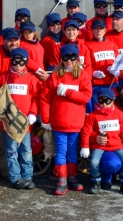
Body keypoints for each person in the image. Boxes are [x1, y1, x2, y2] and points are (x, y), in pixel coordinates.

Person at [40, 44, 92, 195]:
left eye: (72, 58)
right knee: (61, 151)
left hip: (75, 122)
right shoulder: (55, 76)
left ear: (77, 58)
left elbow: (86, 96)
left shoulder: (83, 75)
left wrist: (68, 92)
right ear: (61, 59)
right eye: (66, 58)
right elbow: (45, 98)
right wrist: (46, 119)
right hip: (59, 122)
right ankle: (62, 179)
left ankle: (72, 177)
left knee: (71, 152)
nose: (69, 61)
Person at [0, 48, 39, 189]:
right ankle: (15, 177)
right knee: (11, 151)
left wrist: (33, 113)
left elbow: (36, 98)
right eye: (15, 61)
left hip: (25, 123)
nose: (18, 65)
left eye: (21, 62)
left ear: (26, 62)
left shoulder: (31, 79)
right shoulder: (3, 76)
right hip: (8, 122)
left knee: (26, 151)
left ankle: (28, 177)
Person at [80, 88, 123, 195]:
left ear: (113, 100)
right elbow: (86, 132)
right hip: (99, 147)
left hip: (117, 146)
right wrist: (85, 146)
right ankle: (95, 182)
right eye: (101, 100)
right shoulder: (93, 116)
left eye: (107, 101)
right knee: (94, 162)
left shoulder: (119, 115)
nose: (104, 104)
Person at [85, 19, 119, 108]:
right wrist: (93, 73)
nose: (99, 31)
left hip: (112, 83)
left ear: (105, 30)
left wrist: (117, 71)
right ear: (92, 31)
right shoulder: (87, 46)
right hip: (97, 85)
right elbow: (85, 65)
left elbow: (119, 63)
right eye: (96, 29)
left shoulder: (112, 45)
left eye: (101, 28)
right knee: (98, 110)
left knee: (113, 110)